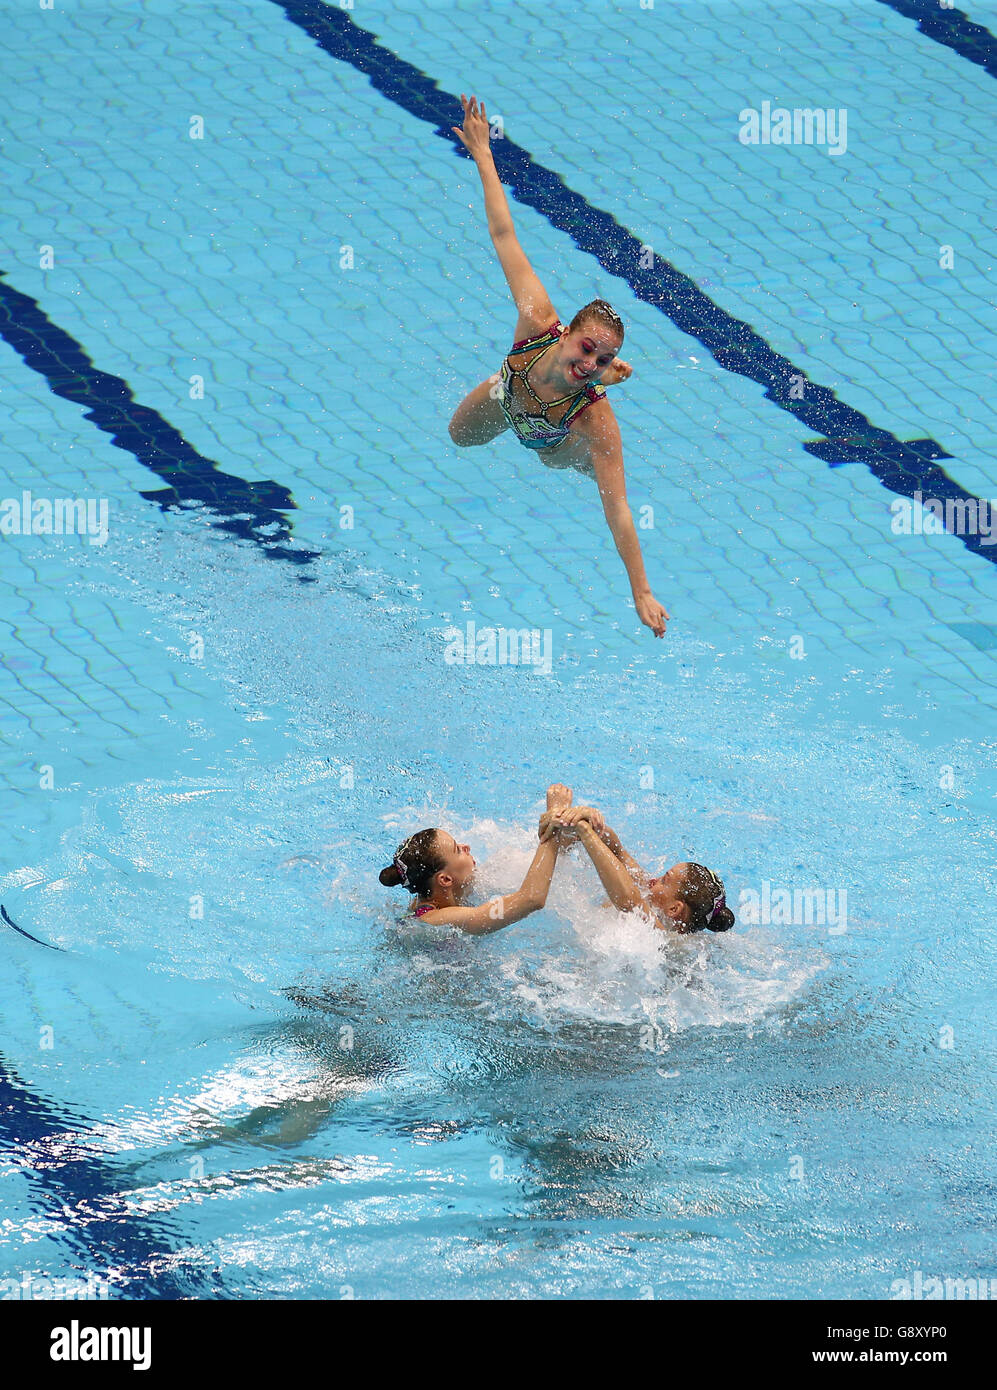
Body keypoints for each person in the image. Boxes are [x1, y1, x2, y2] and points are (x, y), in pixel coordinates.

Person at [448, 94, 669, 639]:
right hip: (510, 395)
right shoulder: (535, 320)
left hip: (554, 438)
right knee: (460, 437)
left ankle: (597, 409)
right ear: (566, 332)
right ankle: (578, 388)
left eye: (603, 358)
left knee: (590, 468)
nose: (589, 359)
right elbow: (505, 236)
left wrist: (640, 590)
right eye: (589, 349)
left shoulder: (596, 419)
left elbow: (618, 510)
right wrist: (484, 155)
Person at [378, 784, 574, 935]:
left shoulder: (440, 894)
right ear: (445, 879)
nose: (466, 847)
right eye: (457, 850)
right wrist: (553, 823)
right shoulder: (438, 919)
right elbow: (532, 899)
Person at [543, 803, 735, 934]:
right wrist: (590, 821)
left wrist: (585, 833)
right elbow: (618, 851)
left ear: (674, 908)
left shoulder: (665, 939)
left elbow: (628, 901)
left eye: (664, 880)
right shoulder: (653, 892)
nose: (653, 879)